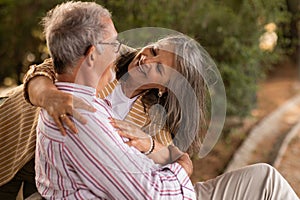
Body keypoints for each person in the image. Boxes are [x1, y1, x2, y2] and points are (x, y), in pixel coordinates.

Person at [34, 1, 195, 199]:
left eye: (159, 68)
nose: (146, 59)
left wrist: (152, 146)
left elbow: (159, 166)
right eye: (153, 50)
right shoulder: (81, 113)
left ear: (165, 88)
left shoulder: (147, 118)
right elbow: (154, 194)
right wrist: (48, 95)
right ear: (93, 55)